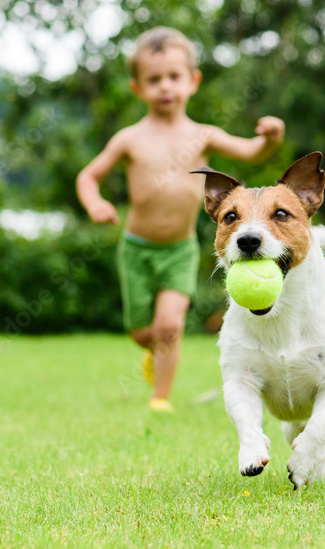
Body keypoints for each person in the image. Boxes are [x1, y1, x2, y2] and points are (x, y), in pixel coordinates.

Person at [76, 27, 285, 412]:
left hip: (180, 250)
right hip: (136, 248)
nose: (165, 87)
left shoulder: (203, 135)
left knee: (169, 326)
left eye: (173, 77)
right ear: (137, 88)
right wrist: (95, 203)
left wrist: (271, 138)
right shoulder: (130, 138)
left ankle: (160, 398)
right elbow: (88, 176)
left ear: (193, 81)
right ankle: (150, 349)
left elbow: (251, 151)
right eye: (153, 79)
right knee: (145, 332)